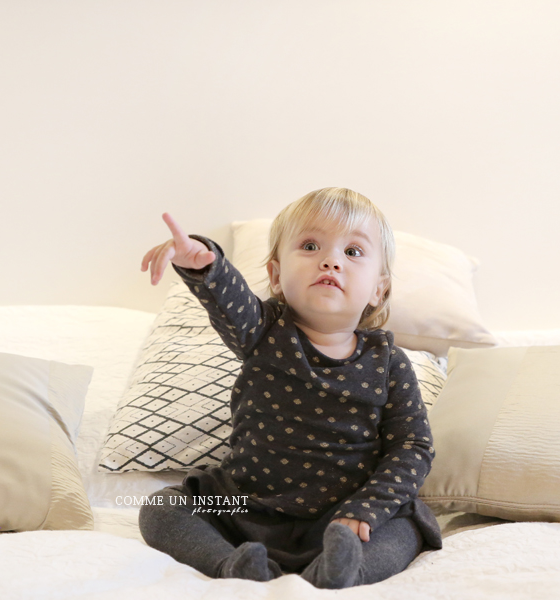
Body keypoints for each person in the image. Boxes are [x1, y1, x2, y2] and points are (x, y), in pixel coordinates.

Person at [137, 187, 442, 588]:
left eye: (353, 252)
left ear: (379, 289)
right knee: (162, 507)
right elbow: (232, 303)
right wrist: (205, 266)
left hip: (345, 519)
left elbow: (412, 446)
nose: (331, 260)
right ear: (277, 276)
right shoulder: (262, 331)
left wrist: (367, 509)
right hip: (244, 509)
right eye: (311, 246)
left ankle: (347, 569)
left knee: (408, 525)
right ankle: (231, 565)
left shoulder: (388, 362)